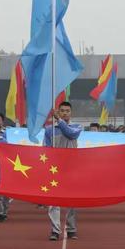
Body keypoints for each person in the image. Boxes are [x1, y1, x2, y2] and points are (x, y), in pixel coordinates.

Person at [44, 101, 82, 241]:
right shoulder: (49, 130)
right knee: (54, 201)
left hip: (72, 168)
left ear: (71, 113)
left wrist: (59, 120)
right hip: (55, 168)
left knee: (72, 200)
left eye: (67, 111)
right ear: (58, 111)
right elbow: (46, 149)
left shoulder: (76, 127)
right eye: (62, 111)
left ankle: (71, 229)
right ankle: (55, 230)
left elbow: (70, 134)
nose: (65, 113)